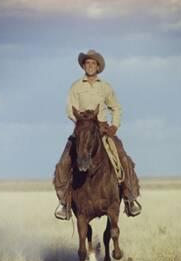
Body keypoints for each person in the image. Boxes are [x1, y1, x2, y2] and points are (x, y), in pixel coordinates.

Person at [53, 49, 142, 220]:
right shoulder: (76, 86)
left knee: (123, 159)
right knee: (63, 163)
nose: (90, 66)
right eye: (87, 63)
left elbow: (116, 107)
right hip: (82, 130)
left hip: (102, 129)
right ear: (83, 66)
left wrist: (114, 126)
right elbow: (69, 108)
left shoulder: (105, 86)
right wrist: (82, 121)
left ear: (98, 66)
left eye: (93, 63)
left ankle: (130, 198)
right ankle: (64, 203)